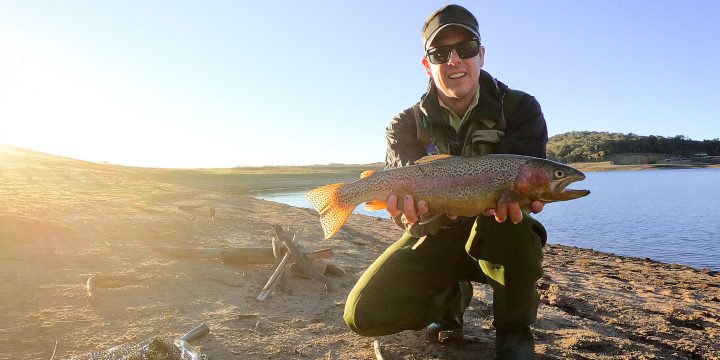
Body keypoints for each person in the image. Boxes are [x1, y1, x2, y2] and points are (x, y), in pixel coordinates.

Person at [343, 4, 548, 359]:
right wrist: (403, 211)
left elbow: (524, 182)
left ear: (481, 55)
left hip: (498, 235)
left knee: (514, 225)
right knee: (362, 314)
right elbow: (404, 191)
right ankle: (448, 300)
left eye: (465, 49)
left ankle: (514, 332)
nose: (454, 60)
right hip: (435, 231)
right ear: (428, 64)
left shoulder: (520, 108)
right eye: (440, 53)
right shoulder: (404, 124)